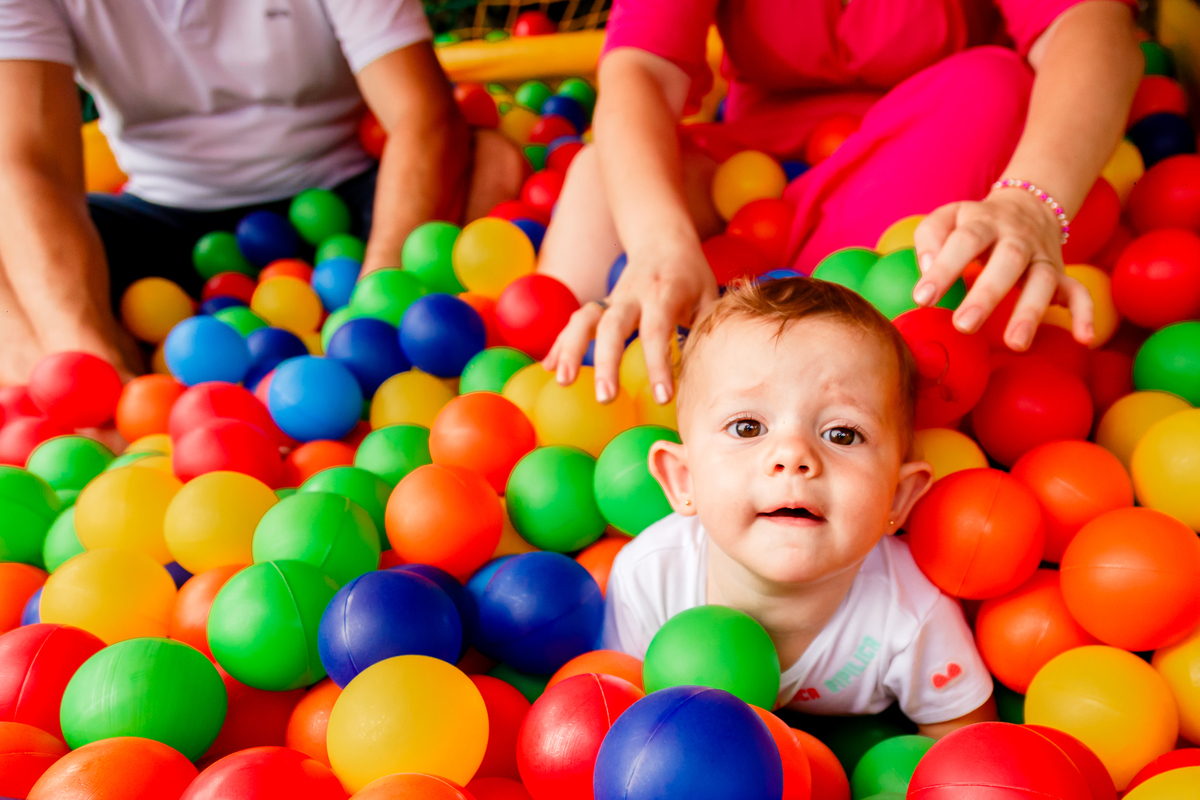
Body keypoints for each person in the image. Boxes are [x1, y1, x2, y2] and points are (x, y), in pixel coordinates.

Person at [540, 0, 1142, 409]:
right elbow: (641, 69)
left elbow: (1090, 24)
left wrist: (1030, 201)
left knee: (992, 87)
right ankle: (559, 388)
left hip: (928, 150)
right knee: (600, 176)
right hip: (761, 168)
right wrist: (659, 244)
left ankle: (782, 378)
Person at [0, 0, 524, 384]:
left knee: (492, 162)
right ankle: (94, 395)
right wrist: (87, 367)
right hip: (167, 211)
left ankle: (422, 357)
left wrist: (377, 299)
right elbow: (26, 164)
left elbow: (424, 116)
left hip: (340, 200)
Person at [602, 278, 995, 736]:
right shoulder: (649, 580)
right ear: (683, 479)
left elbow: (963, 746)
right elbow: (621, 725)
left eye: (842, 434)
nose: (793, 455)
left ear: (898, 497)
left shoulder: (914, 615)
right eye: (748, 427)